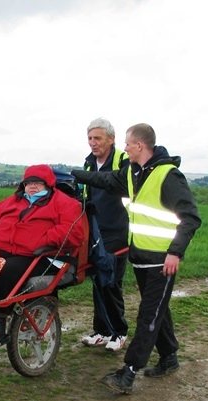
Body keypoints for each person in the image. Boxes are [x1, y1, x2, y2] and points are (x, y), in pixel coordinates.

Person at [72, 123, 201, 394]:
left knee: (147, 317)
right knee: (157, 310)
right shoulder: (133, 173)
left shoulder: (169, 176)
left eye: (129, 144)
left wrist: (175, 252)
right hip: (140, 257)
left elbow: (190, 217)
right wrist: (72, 175)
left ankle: (128, 372)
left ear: (140, 146)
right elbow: (105, 181)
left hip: (162, 261)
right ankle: (169, 357)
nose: (126, 148)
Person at [0, 164, 85, 347]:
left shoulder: (65, 203)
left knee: (7, 270)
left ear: (48, 184)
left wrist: (41, 240)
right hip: (9, 250)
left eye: (38, 183)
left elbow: (72, 233)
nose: (32, 186)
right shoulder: (13, 201)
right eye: (28, 182)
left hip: (43, 256)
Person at [80, 118, 130, 351]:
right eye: (90, 138)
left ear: (111, 139)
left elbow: (124, 188)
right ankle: (100, 331)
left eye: (97, 138)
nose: (93, 142)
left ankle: (119, 333)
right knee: (98, 280)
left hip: (118, 229)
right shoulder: (89, 163)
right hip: (95, 230)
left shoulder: (123, 161)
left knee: (112, 281)